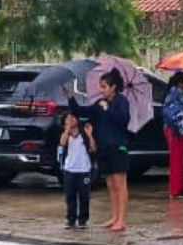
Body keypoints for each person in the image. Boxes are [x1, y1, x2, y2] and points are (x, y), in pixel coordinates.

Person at [71, 69, 132, 232]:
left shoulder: (121, 101)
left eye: (104, 86)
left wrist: (108, 109)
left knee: (120, 184)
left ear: (113, 87)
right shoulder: (99, 103)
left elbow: (123, 120)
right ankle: (114, 216)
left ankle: (122, 220)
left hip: (118, 147)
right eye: (101, 86)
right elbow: (83, 113)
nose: (101, 90)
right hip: (103, 148)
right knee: (110, 184)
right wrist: (70, 98)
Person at [56, 111, 95, 228]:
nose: (71, 120)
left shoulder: (84, 133)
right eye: (68, 118)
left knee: (84, 196)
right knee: (70, 195)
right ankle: (70, 219)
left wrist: (89, 135)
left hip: (84, 169)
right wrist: (67, 129)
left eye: (73, 117)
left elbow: (93, 148)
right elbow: (62, 143)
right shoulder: (65, 134)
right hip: (69, 169)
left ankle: (83, 220)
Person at [162, 71, 183, 199]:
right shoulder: (182, 95)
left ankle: (178, 188)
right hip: (179, 130)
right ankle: (176, 190)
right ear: (181, 82)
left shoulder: (169, 94)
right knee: (179, 161)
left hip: (170, 129)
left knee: (176, 160)